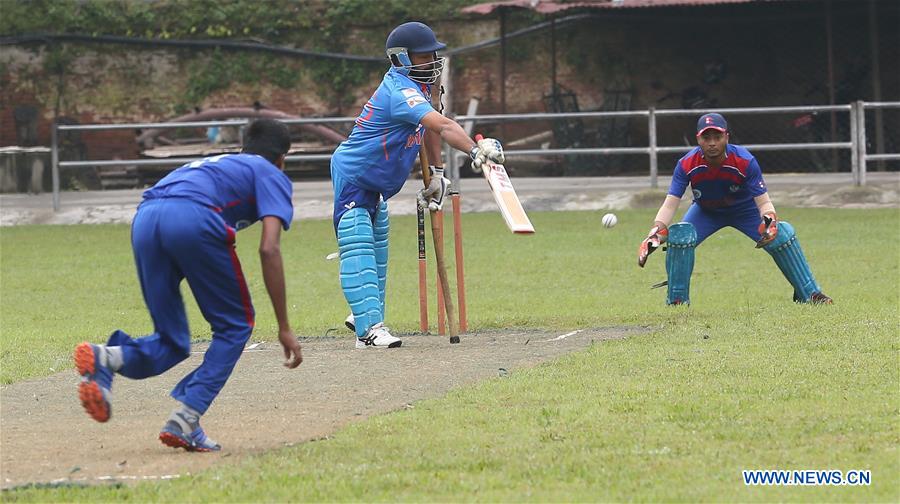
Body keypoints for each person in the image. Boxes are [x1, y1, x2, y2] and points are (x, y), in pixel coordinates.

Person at [74, 118, 304, 452]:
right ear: (283, 158)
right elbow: (269, 248)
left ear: (242, 148)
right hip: (192, 218)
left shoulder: (220, 164)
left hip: (146, 218)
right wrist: (284, 326)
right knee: (235, 325)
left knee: (173, 341)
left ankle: (107, 357)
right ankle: (186, 418)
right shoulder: (271, 172)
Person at [330, 21, 505, 348]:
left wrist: (437, 173)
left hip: (376, 182)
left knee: (378, 251)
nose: (433, 62)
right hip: (355, 174)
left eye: (433, 56)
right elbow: (444, 125)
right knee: (359, 245)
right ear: (402, 58)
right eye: (425, 57)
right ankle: (369, 329)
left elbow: (429, 129)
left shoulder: (420, 88)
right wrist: (474, 150)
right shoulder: (399, 91)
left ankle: (363, 313)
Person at [638, 112, 833, 306]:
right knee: (680, 236)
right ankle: (677, 301)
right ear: (698, 139)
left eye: (717, 137)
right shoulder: (686, 164)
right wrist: (654, 234)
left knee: (781, 235)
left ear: (727, 137)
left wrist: (770, 221)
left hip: (744, 210)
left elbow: (764, 203)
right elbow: (670, 204)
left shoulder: (745, 160)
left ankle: (810, 293)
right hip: (706, 211)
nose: (712, 143)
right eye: (706, 138)